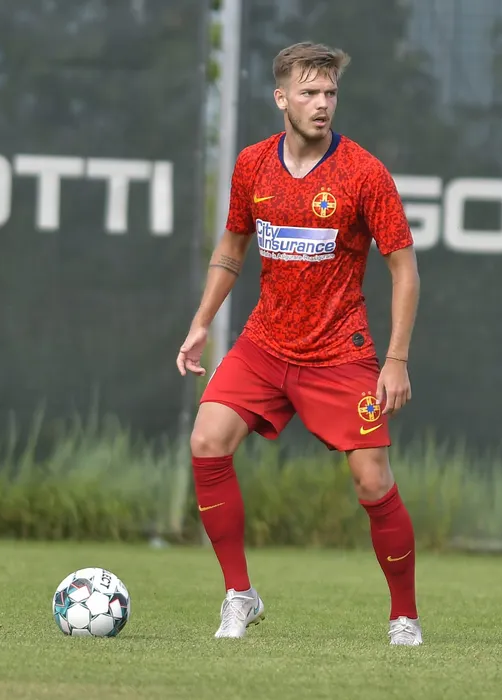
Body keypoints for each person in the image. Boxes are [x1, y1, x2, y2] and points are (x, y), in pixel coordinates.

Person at [176, 41, 422, 646]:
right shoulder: (252, 164)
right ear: (280, 98)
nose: (322, 104)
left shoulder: (364, 173)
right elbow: (232, 247)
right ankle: (240, 595)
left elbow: (404, 270)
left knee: (373, 482)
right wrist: (202, 321)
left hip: (340, 353)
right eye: (309, 92)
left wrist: (395, 360)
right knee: (207, 441)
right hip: (265, 344)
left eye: (330, 92)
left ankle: (404, 618)